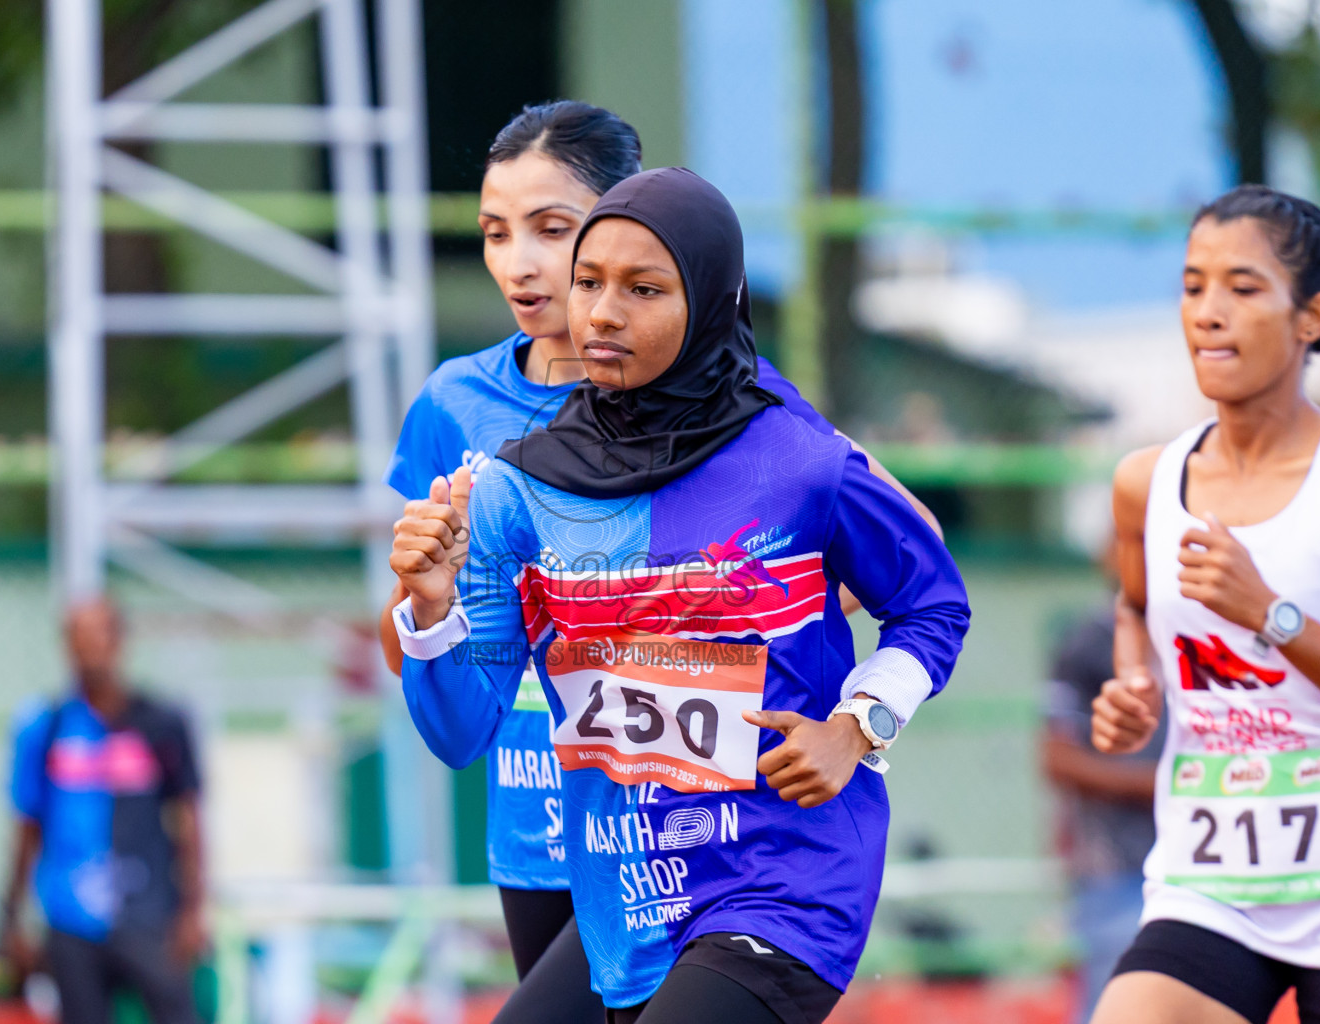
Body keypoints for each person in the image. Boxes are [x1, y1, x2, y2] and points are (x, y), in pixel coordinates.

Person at [377, 101, 942, 1017]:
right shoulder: (465, 418)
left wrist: (793, 665)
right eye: (494, 232)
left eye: (551, 230)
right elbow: (426, 667)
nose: (521, 264)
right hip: (566, 826)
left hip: (747, 845)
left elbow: (913, 566)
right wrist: (432, 604)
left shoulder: (758, 423)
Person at [1090, 185, 1320, 1024]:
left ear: (1311, 316)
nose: (1208, 312)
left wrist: (1271, 615)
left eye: (1243, 288)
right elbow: (1135, 607)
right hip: (1211, 887)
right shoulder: (1146, 483)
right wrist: (1133, 684)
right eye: (1192, 286)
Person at [2, 598, 205, 1024]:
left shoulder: (161, 723)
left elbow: (188, 820)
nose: (90, 651)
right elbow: (27, 825)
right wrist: (11, 914)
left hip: (148, 910)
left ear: (119, 641)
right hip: (71, 919)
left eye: (99, 637)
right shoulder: (46, 727)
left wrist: (194, 909)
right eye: (79, 639)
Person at [1040, 545, 1161, 1023]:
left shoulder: (1209, 630)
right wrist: (1162, 785)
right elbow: (1058, 758)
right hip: (1116, 867)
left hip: (1206, 861)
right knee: (1112, 1005)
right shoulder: (1089, 641)